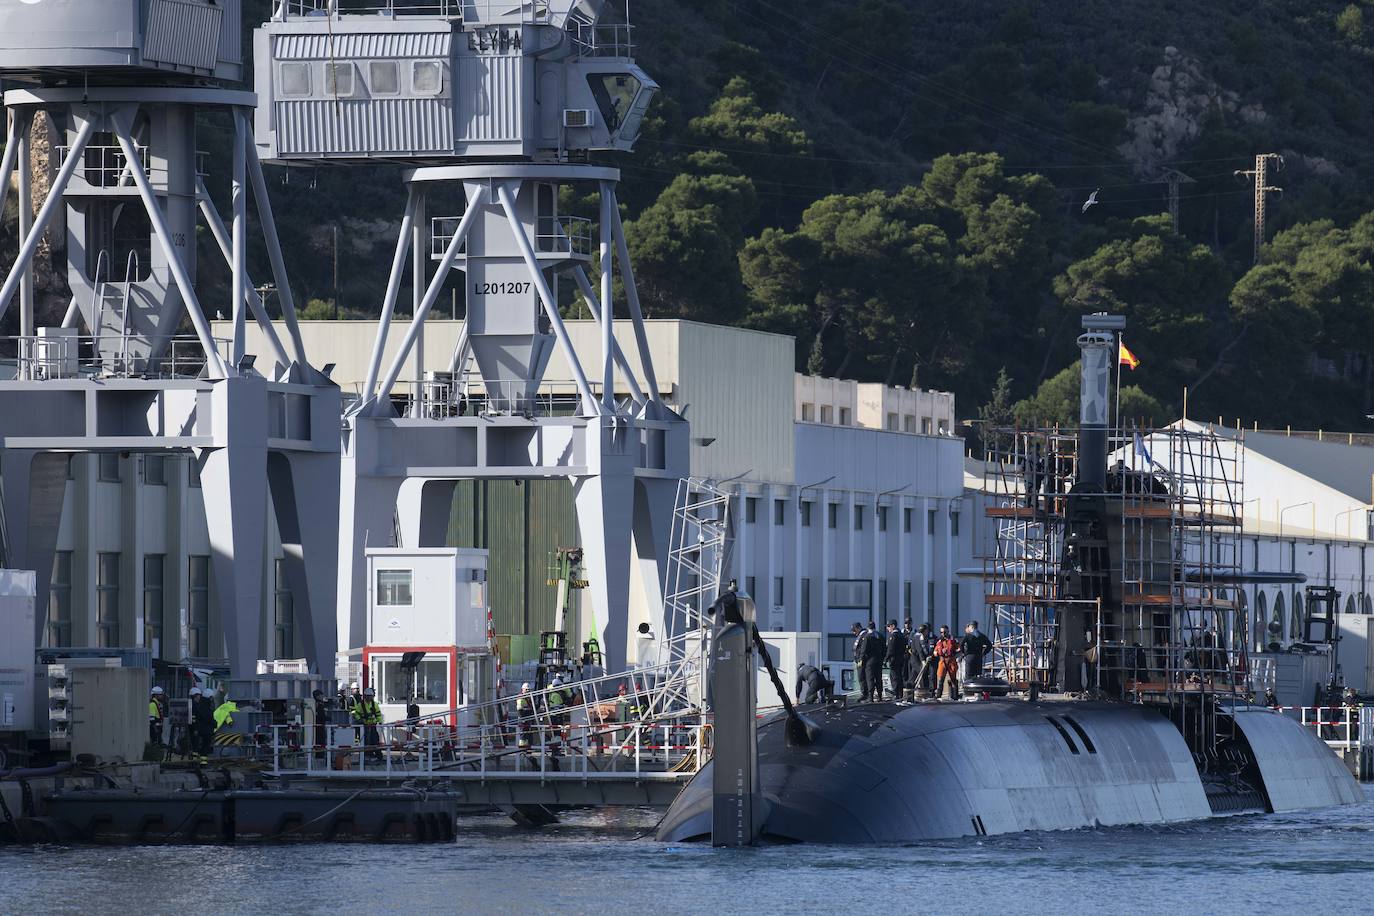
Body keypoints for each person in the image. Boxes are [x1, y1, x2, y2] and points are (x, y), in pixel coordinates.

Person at [352, 687, 384, 760]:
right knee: (365, 741)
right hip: (364, 726)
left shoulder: (375, 704)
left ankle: (377, 755)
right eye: (369, 696)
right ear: (366, 696)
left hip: (373, 725)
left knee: (375, 739)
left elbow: (378, 714)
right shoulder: (360, 705)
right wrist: (360, 719)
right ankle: (366, 755)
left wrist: (380, 721)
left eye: (371, 696)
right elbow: (356, 714)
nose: (370, 698)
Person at [934, 625, 959, 699]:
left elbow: (959, 649)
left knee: (953, 678)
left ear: (948, 631)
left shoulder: (953, 640)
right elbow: (935, 652)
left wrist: (955, 652)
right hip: (942, 660)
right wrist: (938, 652)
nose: (943, 634)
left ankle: (955, 696)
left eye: (944, 632)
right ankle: (938, 696)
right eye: (941, 632)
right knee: (940, 678)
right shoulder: (939, 641)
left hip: (951, 660)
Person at [885, 622, 907, 699]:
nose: (887, 628)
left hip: (894, 659)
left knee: (894, 676)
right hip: (901, 658)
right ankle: (900, 693)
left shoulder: (893, 635)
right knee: (899, 676)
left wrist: (886, 659)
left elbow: (890, 649)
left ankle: (896, 693)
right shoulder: (901, 635)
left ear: (893, 626)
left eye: (888, 626)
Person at [863, 621, 885, 702]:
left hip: (870, 660)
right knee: (879, 678)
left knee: (870, 678)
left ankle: (871, 697)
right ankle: (880, 696)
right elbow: (884, 649)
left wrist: (861, 659)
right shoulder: (880, 636)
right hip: (879, 660)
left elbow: (864, 649)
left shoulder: (867, 636)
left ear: (868, 628)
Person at [191, 687, 216, 759]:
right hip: (206, 731)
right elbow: (209, 718)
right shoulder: (207, 707)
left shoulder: (199, 705)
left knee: (198, 747)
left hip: (199, 730)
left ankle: (196, 762)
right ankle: (202, 763)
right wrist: (214, 723)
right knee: (205, 747)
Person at [908, 623, 933, 693]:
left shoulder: (924, 637)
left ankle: (909, 688)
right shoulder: (917, 637)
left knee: (914, 675)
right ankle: (923, 691)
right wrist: (923, 661)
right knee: (922, 672)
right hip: (915, 658)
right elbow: (919, 650)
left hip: (919, 658)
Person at [515, 683, 534, 750]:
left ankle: (527, 748)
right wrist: (523, 719)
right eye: (526, 690)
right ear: (522, 689)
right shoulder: (521, 698)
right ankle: (522, 749)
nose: (528, 691)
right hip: (523, 719)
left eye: (529, 690)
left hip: (527, 718)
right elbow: (519, 710)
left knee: (528, 733)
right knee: (523, 734)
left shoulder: (528, 698)